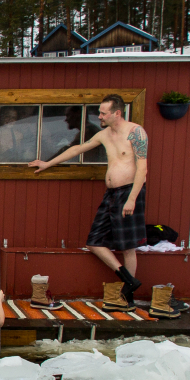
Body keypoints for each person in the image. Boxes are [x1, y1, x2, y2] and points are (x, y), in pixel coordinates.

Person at [28, 93, 147, 308]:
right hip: (111, 194)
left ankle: (127, 297)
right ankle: (129, 280)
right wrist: (48, 163)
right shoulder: (105, 134)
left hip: (129, 192)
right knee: (94, 241)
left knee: (128, 246)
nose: (99, 116)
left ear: (117, 113)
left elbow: (143, 169)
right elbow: (77, 149)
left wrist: (132, 199)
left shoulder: (136, 133)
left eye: (103, 113)